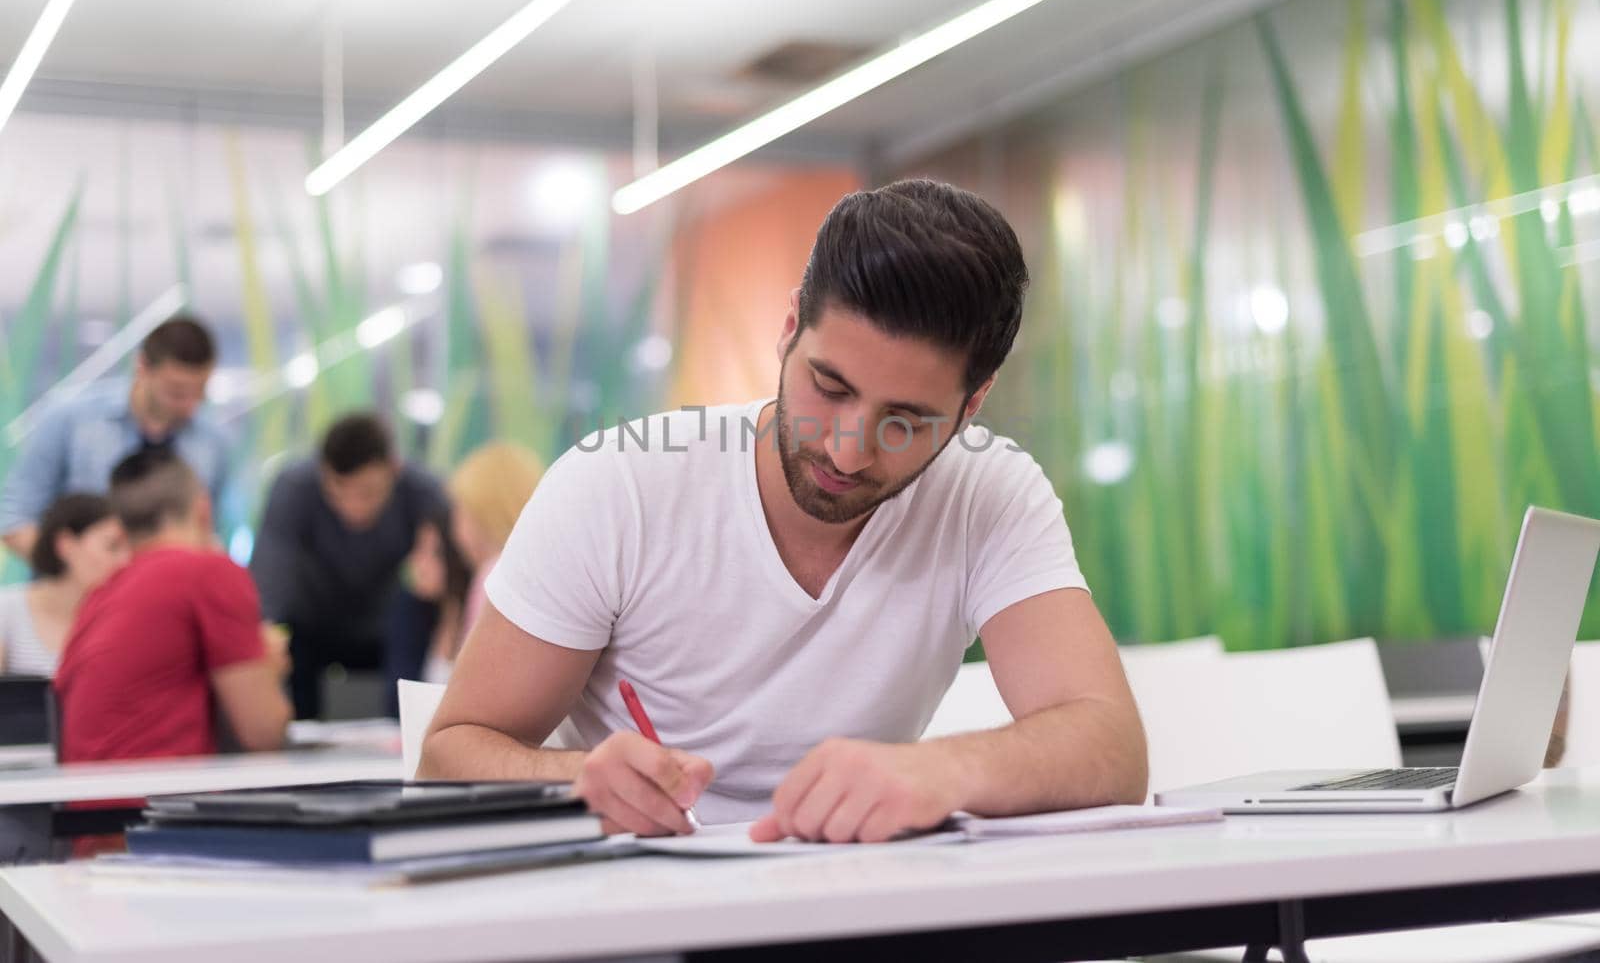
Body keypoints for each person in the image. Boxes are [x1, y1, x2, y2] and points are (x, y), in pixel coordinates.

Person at [421, 179, 1148, 842]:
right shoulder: (619, 485)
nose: (849, 450)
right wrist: (574, 780)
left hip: (858, 909)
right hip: (638, 914)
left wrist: (945, 771)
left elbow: (1109, 745)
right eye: (829, 387)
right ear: (791, 326)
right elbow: (449, 751)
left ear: (973, 403)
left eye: (907, 419)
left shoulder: (989, 492)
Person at [55, 451, 290, 761]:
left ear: (122, 530)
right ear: (203, 511)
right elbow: (263, 732)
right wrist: (269, 669)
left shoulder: (101, 595)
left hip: (84, 800)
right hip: (154, 802)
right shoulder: (209, 573)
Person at [250, 412, 447, 719]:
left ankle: (409, 728)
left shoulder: (423, 493)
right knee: (282, 641)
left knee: (414, 619)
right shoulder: (294, 487)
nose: (353, 508)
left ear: (394, 470)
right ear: (321, 473)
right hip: (313, 623)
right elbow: (269, 579)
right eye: (338, 494)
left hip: (387, 625)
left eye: (367, 493)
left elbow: (450, 578)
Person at [0, 316, 230, 562]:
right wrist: (69, 570)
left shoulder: (212, 443)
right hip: (79, 594)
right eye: (176, 393)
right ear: (142, 367)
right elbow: (13, 514)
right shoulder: (71, 421)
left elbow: (210, 532)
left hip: (167, 592)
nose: (189, 406)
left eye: (199, 393)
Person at [403, 443, 544, 683]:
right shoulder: (535, 571)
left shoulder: (492, 577)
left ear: (482, 513)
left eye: (460, 511)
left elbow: (472, 686)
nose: (455, 532)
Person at [0, 494, 129, 676]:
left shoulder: (124, 620)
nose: (125, 561)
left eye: (129, 549)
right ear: (65, 544)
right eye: (112, 546)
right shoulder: (6, 610)